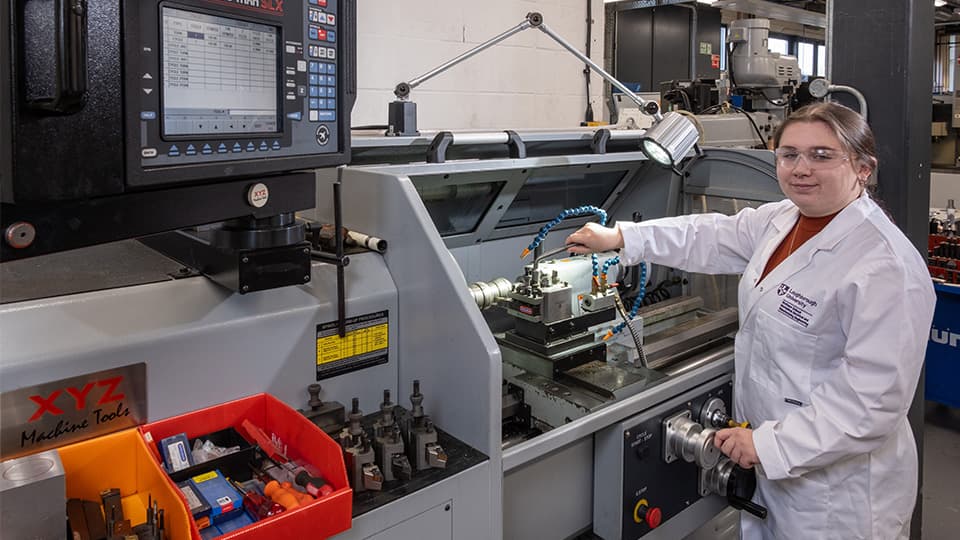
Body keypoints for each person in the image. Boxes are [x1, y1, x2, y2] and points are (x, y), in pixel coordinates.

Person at [567, 102, 936, 540]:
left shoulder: (886, 266)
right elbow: (710, 234)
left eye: (821, 155)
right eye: (788, 154)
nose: (800, 168)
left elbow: (871, 403)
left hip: (839, 496)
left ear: (862, 167)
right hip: (774, 474)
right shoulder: (785, 219)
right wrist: (623, 237)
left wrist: (768, 445)